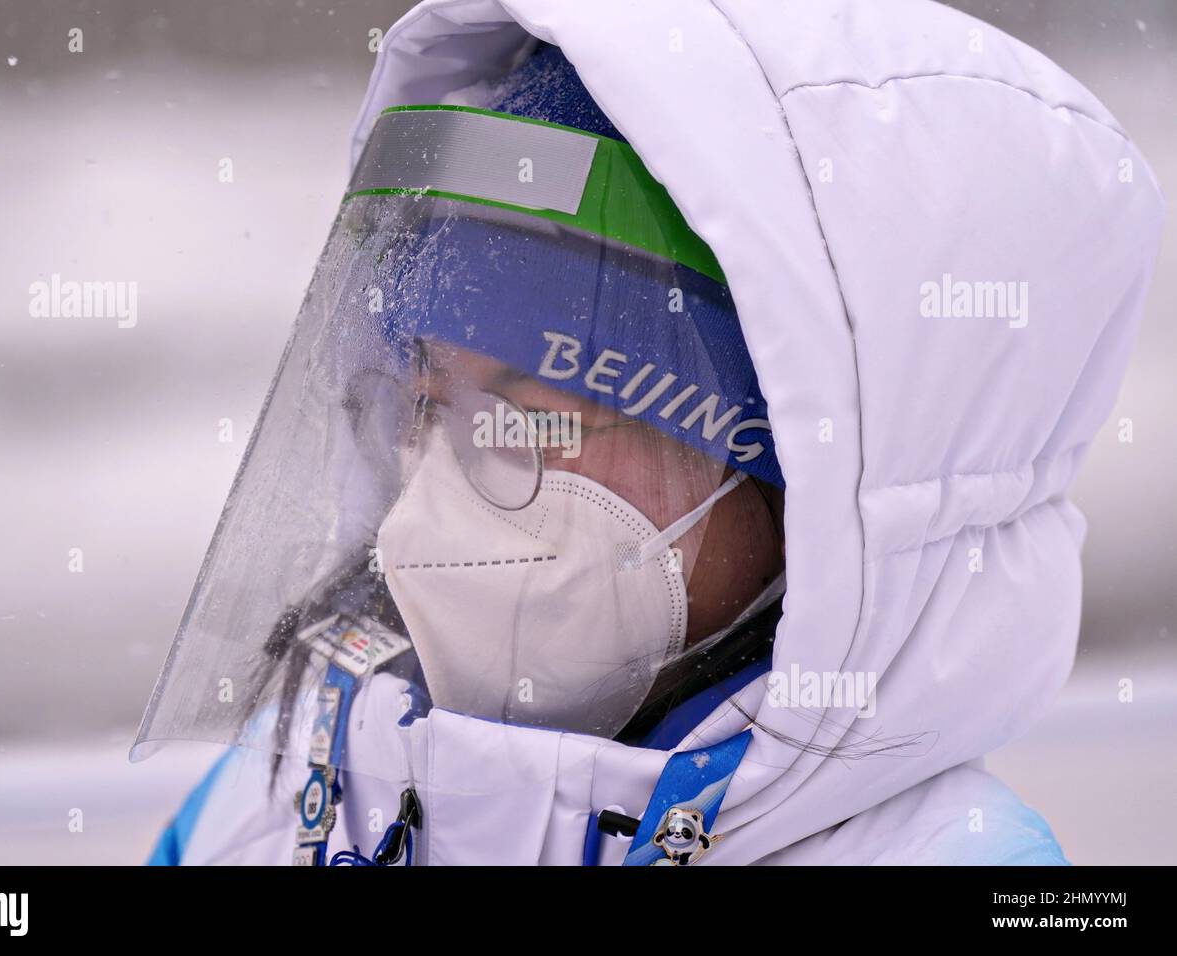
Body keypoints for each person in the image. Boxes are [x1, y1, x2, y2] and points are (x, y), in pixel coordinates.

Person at [135, 0, 1163, 866]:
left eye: (531, 411)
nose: (434, 490)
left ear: (806, 469)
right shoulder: (279, 802)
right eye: (423, 401)